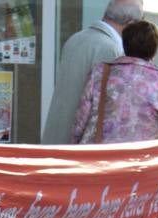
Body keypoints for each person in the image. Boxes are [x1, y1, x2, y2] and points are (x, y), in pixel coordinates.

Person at [42, 0, 143, 144]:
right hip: (78, 146)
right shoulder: (110, 50)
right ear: (131, 22)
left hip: (56, 136)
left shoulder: (76, 38)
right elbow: (106, 108)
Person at [71, 19, 158, 143]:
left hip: (100, 157)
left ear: (124, 44)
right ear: (154, 50)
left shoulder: (100, 72)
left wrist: (75, 146)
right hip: (141, 158)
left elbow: (80, 121)